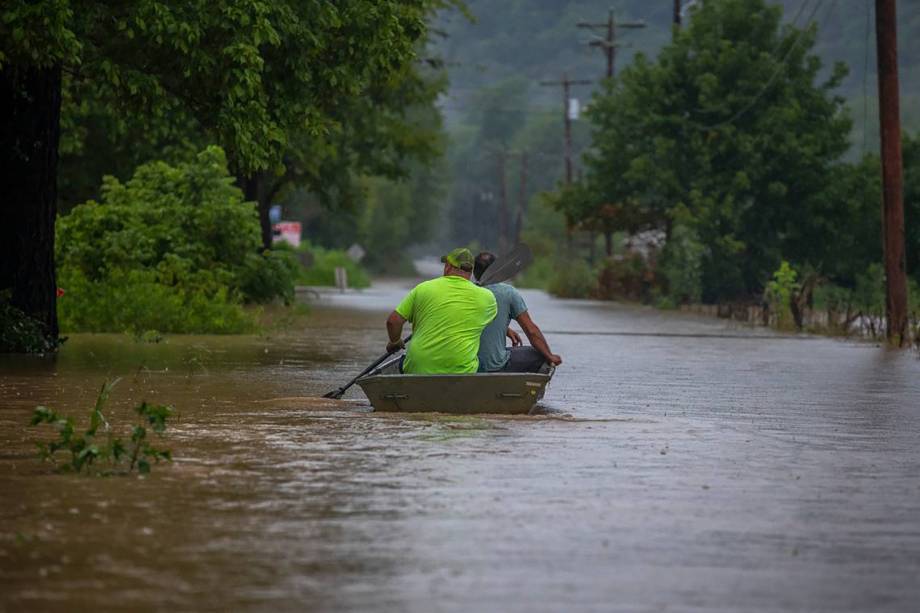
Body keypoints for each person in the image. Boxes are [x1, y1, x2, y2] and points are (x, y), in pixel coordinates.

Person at [385, 248, 497, 374]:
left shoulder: (423, 288)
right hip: (462, 371)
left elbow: (393, 321)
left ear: (448, 266)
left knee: (404, 362)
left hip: (418, 369)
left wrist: (394, 341)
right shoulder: (488, 297)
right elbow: (490, 322)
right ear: (471, 271)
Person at [474, 251, 562, 373]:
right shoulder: (508, 292)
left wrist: (506, 330)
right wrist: (549, 355)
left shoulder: (467, 293)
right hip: (494, 365)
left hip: (469, 365)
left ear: (474, 272)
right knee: (541, 355)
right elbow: (531, 331)